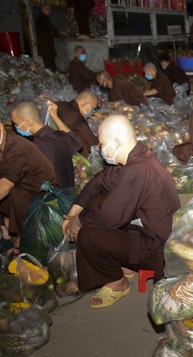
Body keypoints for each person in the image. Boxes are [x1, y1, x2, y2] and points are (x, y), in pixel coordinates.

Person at [61, 115, 180, 308]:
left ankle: (117, 282)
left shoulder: (136, 171)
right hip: (147, 232)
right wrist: (75, 212)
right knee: (97, 201)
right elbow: (99, 180)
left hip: (157, 249)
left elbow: (110, 218)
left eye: (102, 144)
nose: (100, 149)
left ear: (116, 142)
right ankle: (124, 263)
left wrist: (79, 223)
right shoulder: (139, 157)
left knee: (88, 235)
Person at [0, 124, 58, 254]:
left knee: (15, 194)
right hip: (22, 188)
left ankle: (22, 237)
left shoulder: (18, 148)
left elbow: (6, 184)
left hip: (44, 197)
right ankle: (5, 230)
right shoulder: (3, 145)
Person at [10, 102, 82, 199]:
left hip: (53, 200)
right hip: (69, 195)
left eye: (16, 124)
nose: (16, 128)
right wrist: (55, 116)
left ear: (28, 122)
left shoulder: (36, 148)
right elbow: (77, 142)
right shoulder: (61, 136)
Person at [52, 90, 99, 157]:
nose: (92, 112)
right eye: (92, 109)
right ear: (85, 104)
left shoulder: (59, 104)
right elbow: (94, 143)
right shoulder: (78, 120)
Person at [36, 5, 65, 72]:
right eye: (47, 9)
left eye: (50, 10)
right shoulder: (43, 18)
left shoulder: (40, 18)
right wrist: (62, 32)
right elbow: (51, 27)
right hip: (46, 46)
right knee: (50, 65)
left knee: (49, 64)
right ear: (42, 9)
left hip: (45, 46)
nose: (49, 11)